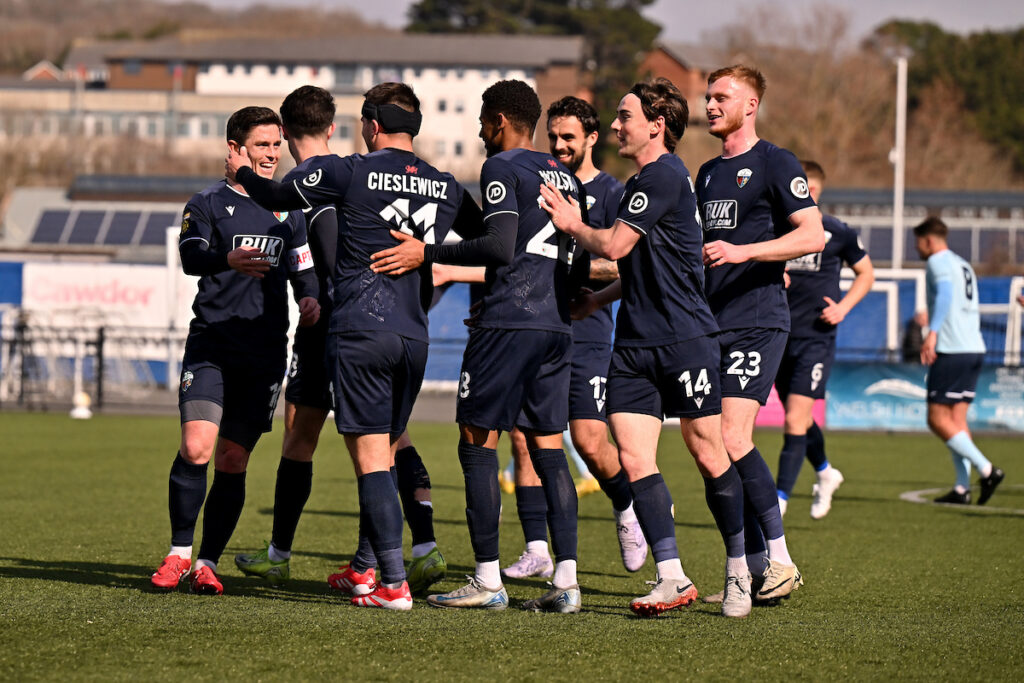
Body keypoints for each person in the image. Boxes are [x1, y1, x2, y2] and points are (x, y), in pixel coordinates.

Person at [227, 82, 489, 610]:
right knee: (388, 449)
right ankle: (371, 570)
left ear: (370, 125)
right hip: (415, 336)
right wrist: (430, 252)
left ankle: (389, 583)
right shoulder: (445, 183)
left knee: (371, 459)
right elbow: (493, 240)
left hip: (360, 330)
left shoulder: (352, 169)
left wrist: (244, 171)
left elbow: (278, 197)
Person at [540, 78, 753, 618]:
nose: (616, 125)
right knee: (634, 458)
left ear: (656, 125)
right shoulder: (645, 181)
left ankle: (739, 570)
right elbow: (642, 264)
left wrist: (571, 222)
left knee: (708, 453)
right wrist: (601, 300)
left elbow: (614, 244)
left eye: (624, 116)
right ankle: (672, 575)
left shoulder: (662, 176)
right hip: (634, 344)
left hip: (686, 340)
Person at [421, 80, 586, 613]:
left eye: (482, 121)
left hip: (508, 324)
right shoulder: (565, 175)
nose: (478, 130)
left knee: (477, 441)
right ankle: (566, 583)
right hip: (557, 325)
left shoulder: (501, 168)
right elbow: (577, 259)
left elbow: (499, 246)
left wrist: (428, 251)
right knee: (549, 448)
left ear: (499, 121)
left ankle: (489, 580)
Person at [149, 106, 320, 595]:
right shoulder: (204, 203)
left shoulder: (290, 210)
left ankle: (207, 561)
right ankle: (179, 553)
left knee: (231, 460)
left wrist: (308, 297)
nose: (271, 154)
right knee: (196, 446)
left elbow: (303, 269)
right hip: (212, 344)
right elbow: (189, 257)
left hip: (264, 352)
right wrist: (227, 259)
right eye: (261, 145)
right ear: (234, 149)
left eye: (276, 144)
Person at [500, 96, 648, 580]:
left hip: (586, 333)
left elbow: (626, 262)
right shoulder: (533, 184)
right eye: (554, 136)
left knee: (588, 440)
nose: (560, 145)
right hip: (534, 326)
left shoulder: (611, 192)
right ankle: (538, 549)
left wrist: (578, 263)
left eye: (570, 137)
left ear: (590, 138)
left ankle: (627, 508)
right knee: (523, 440)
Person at [696, 65, 824, 602]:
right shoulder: (703, 173)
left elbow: (812, 233)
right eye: (707, 96)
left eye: (722, 96)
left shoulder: (775, 161)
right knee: (707, 446)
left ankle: (782, 559)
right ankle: (750, 565)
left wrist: (747, 251)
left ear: (751, 105)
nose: (710, 105)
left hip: (757, 319)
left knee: (732, 436)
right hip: (708, 322)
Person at [774, 160, 874, 520]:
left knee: (794, 420)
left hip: (816, 338)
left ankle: (778, 502)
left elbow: (866, 273)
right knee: (796, 418)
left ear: (812, 191)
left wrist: (844, 307)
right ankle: (826, 473)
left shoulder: (836, 231)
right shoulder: (774, 228)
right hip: (778, 334)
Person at [914, 216, 1004, 505]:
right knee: (956, 420)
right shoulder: (962, 264)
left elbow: (945, 295)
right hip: (973, 347)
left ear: (928, 240)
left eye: (918, 242)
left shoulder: (937, 262)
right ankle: (962, 488)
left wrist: (933, 332)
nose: (918, 248)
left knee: (937, 419)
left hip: (952, 349)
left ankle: (987, 469)